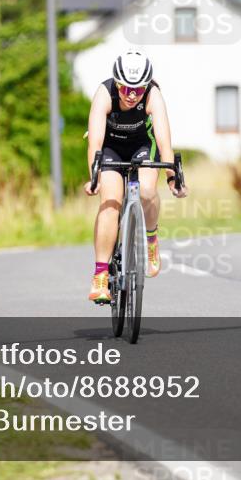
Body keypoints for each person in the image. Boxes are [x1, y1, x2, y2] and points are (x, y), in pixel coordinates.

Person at [83, 50, 187, 303]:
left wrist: (173, 177)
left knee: (146, 191)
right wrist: (94, 177)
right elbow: (95, 141)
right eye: (126, 88)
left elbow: (163, 141)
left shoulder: (153, 94)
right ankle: (100, 276)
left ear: (146, 86)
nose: (131, 95)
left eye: (138, 90)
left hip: (143, 145)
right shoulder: (104, 93)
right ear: (116, 83)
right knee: (110, 201)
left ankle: (151, 238)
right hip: (111, 147)